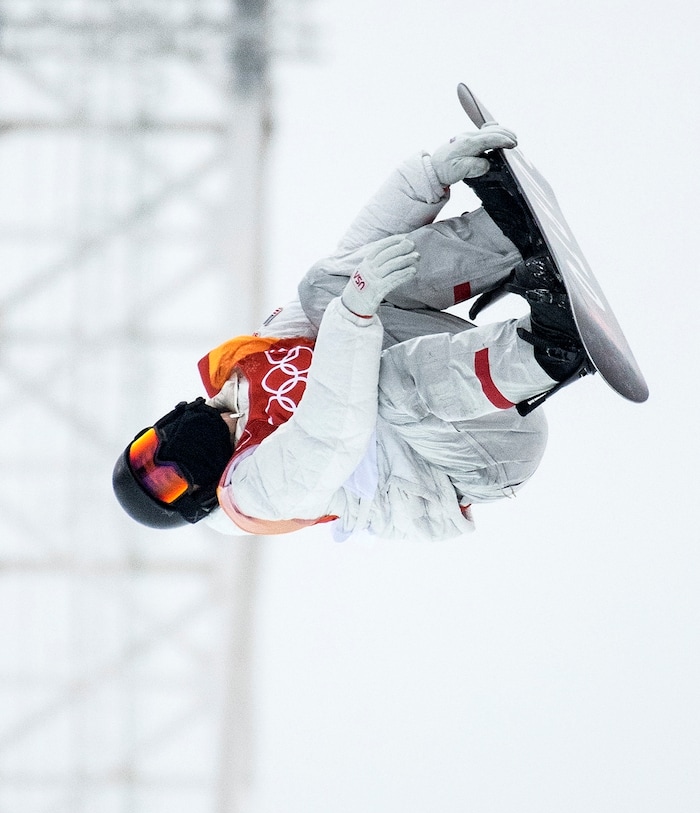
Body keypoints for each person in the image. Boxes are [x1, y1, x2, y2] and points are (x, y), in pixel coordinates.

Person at [113, 124, 593, 542]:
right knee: (379, 378)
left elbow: (348, 268)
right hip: (476, 459)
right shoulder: (253, 494)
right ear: (196, 501)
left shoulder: (240, 370)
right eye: (168, 483)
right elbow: (330, 430)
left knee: (323, 289)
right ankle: (548, 350)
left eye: (148, 452)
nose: (168, 460)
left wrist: (425, 178)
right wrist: (355, 313)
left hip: (453, 401)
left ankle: (507, 237)